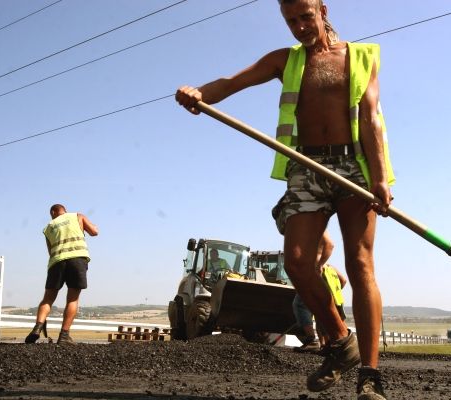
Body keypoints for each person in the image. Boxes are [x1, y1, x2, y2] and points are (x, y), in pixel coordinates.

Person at [176, 1, 395, 398]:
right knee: (296, 261)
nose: (298, 27)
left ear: (322, 8)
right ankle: (341, 341)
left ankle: (370, 376)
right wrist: (199, 93)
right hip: (305, 166)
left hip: (353, 167)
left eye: (305, 16)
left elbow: (371, 114)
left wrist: (380, 178)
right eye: (290, 20)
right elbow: (232, 81)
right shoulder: (285, 60)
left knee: (360, 264)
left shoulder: (360, 56)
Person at [25, 204, 99, 345]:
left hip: (56, 262)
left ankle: (37, 328)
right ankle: (64, 336)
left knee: (47, 299)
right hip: (77, 259)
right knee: (72, 299)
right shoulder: (77, 216)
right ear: (64, 211)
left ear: (53, 212)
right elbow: (94, 232)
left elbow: (50, 251)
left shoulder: (48, 227)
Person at [292, 230, 347, 353]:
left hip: (314, 270)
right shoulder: (331, 268)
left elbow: (330, 244)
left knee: (300, 304)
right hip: (318, 271)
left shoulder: (316, 225)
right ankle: (329, 345)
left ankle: (312, 340)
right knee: (321, 310)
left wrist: (319, 265)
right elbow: (343, 281)